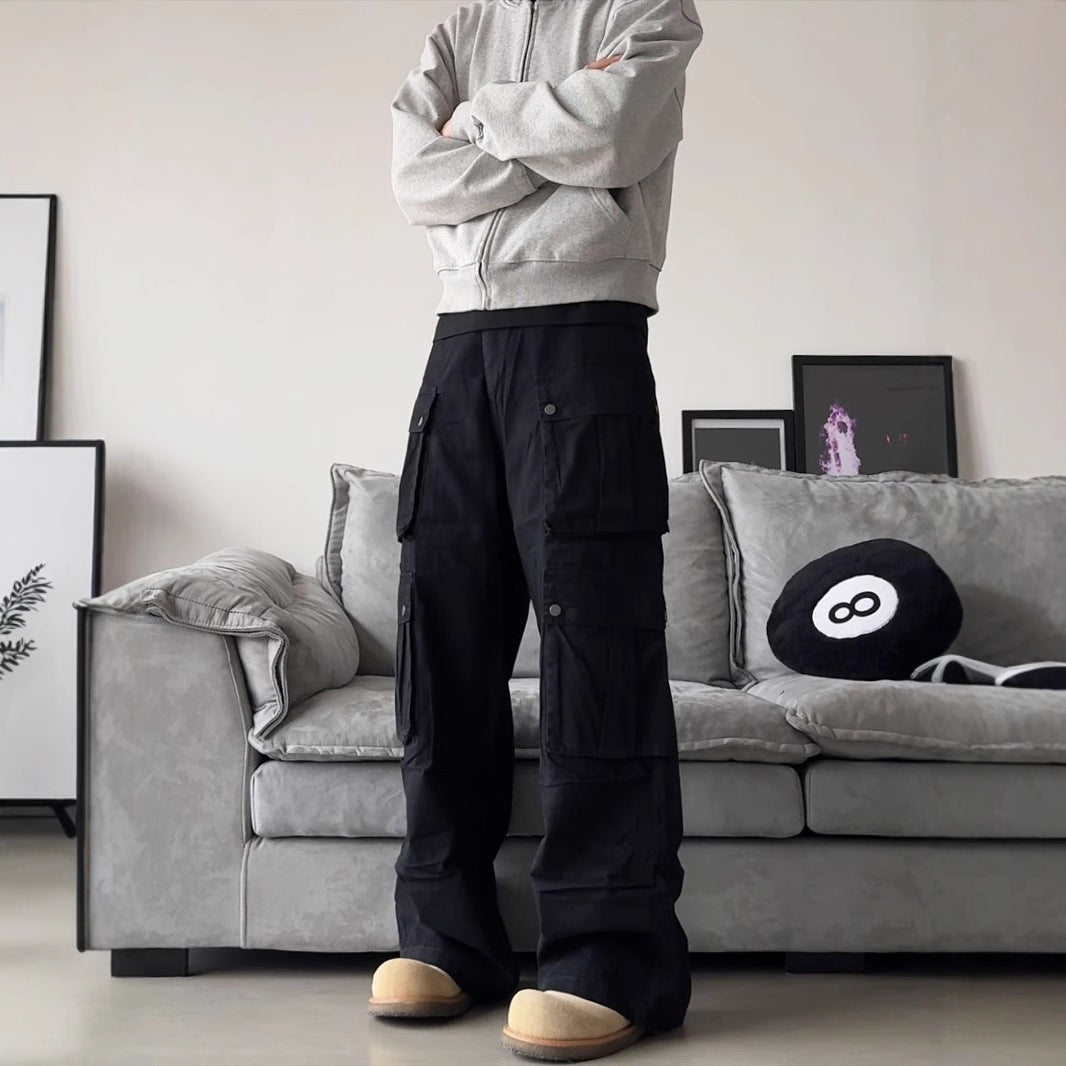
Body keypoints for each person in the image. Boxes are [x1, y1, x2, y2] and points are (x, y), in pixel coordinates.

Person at [369, 0, 703, 1059]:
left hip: (588, 333)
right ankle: (447, 937)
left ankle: (611, 959)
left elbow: (617, 136)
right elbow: (414, 177)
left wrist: (480, 118)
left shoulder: (646, 12)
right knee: (443, 638)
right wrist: (546, 125)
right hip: (457, 342)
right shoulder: (459, 27)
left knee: (595, 646)